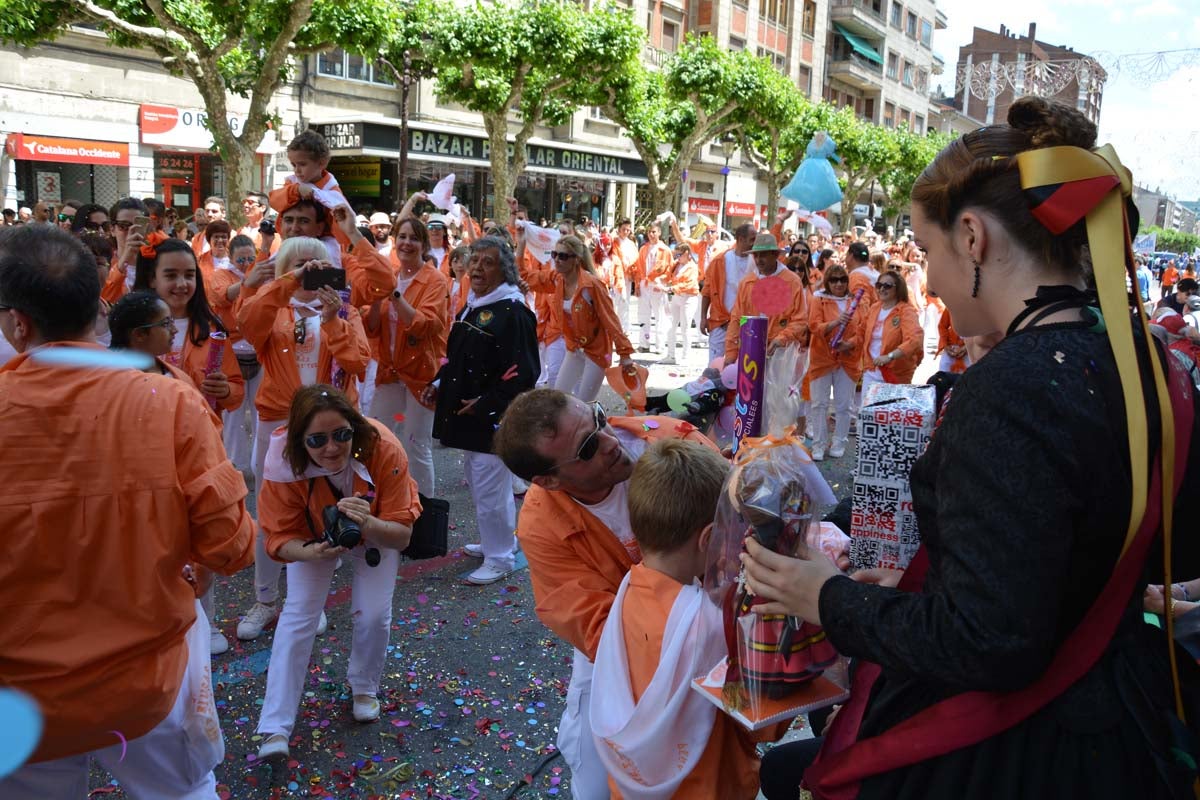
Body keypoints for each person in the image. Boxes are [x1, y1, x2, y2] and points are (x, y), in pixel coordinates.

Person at [748, 97, 1200, 800]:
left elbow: (991, 640)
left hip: (1020, 744)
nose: (927, 276)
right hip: (1119, 706)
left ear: (971, 236)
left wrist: (828, 598)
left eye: (927, 251)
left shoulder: (1014, 386)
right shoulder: (1151, 358)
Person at [0, 225, 255, 797]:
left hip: (19, 693)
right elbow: (232, 546)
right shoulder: (169, 399)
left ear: (18, 322)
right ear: (98, 307)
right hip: (147, 680)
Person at [494, 389, 721, 799]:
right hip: (621, 653)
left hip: (717, 631)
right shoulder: (541, 524)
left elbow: (743, 526)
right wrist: (691, 643)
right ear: (548, 481)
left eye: (598, 418)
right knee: (597, 781)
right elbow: (596, 627)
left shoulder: (674, 442)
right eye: (587, 447)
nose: (611, 442)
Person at [590, 437, 784, 800]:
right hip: (712, 786)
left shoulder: (630, 587)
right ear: (710, 537)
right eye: (735, 528)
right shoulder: (710, 622)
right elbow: (764, 726)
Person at [254, 385, 420, 763]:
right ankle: (275, 727)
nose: (332, 448)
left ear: (354, 428)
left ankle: (364, 687)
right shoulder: (282, 462)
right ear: (299, 441)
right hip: (313, 541)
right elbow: (278, 539)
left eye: (342, 434)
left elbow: (403, 535)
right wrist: (315, 550)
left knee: (374, 613)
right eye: (317, 440)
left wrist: (367, 522)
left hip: (377, 531)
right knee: (298, 617)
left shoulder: (382, 447)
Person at [235, 236, 372, 640]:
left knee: (318, 510)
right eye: (301, 264)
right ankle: (264, 599)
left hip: (329, 426)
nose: (310, 270)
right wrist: (284, 285)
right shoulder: (271, 307)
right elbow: (245, 324)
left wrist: (332, 320)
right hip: (278, 423)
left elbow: (358, 362)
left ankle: (307, 600)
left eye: (318, 262)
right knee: (272, 513)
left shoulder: (345, 311)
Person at [425, 236, 539, 585]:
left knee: (491, 486)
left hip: (491, 419)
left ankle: (501, 556)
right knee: (480, 482)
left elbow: (526, 373)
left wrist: (488, 404)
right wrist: (440, 383)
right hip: (470, 418)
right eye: (474, 260)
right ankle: (496, 541)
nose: (476, 267)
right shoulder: (475, 304)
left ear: (503, 270)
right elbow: (457, 357)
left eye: (487, 262)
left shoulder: (513, 312)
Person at [365, 216, 448, 497]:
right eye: (402, 236)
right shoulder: (388, 274)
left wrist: (394, 295)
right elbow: (372, 328)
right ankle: (377, 500)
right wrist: (376, 298)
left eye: (413, 238)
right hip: (390, 372)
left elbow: (425, 325)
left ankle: (426, 515)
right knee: (376, 436)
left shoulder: (435, 280)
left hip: (421, 375)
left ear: (424, 245)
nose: (406, 243)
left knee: (416, 443)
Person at [132, 238, 243, 416]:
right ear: (152, 279)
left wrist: (226, 390)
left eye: (189, 275)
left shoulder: (212, 330)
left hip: (203, 433)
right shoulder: (136, 330)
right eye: (171, 275)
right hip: (150, 430)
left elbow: (237, 389)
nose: (182, 284)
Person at [518, 231, 634, 400]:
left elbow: (611, 321)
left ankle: (596, 426)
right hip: (574, 348)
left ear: (576, 260)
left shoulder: (591, 286)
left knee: (584, 404)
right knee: (559, 398)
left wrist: (625, 354)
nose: (556, 259)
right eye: (554, 254)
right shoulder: (557, 279)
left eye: (563, 256)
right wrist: (521, 244)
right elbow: (525, 276)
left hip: (597, 351)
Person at [807, 264, 867, 460]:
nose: (839, 283)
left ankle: (839, 442)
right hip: (822, 359)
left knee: (844, 406)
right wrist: (835, 323)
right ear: (827, 282)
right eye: (834, 280)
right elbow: (814, 326)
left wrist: (848, 344)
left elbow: (863, 331)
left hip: (847, 360)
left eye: (842, 279)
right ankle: (818, 445)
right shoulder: (819, 299)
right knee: (819, 404)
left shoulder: (856, 301)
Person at [723, 233, 809, 366]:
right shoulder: (747, 282)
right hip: (750, 350)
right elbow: (737, 319)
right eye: (755, 255)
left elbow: (800, 320)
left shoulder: (792, 281)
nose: (758, 260)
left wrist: (781, 339)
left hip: (781, 353)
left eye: (763, 255)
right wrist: (730, 354)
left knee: (777, 387)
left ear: (775, 255)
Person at [858, 270, 923, 393]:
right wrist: (846, 344)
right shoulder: (874, 308)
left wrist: (889, 356)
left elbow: (915, 340)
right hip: (871, 370)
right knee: (867, 411)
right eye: (879, 285)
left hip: (895, 373)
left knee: (889, 411)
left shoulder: (906, 311)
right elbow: (861, 333)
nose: (882, 289)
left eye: (887, 286)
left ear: (898, 289)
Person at [701, 223, 757, 364]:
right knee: (715, 366)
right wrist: (703, 317)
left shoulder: (758, 262)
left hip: (745, 323)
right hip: (720, 322)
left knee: (743, 367)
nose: (754, 243)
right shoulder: (720, 260)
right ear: (740, 239)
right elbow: (707, 291)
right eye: (752, 239)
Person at [632, 222, 672, 353]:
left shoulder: (665, 250)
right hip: (644, 284)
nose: (651, 234)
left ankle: (660, 345)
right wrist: (637, 285)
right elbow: (638, 268)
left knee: (659, 316)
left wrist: (662, 282)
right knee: (643, 315)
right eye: (649, 232)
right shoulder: (643, 249)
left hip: (657, 285)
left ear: (659, 233)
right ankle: (645, 343)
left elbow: (669, 269)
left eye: (654, 232)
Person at [662, 242, 701, 364]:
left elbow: (688, 284)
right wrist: (659, 279)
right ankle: (670, 355)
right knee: (671, 326)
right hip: (677, 297)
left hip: (689, 298)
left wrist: (672, 288)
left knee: (685, 327)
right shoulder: (676, 265)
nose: (677, 257)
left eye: (679, 255)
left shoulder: (693, 267)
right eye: (676, 255)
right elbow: (667, 274)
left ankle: (686, 356)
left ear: (687, 253)